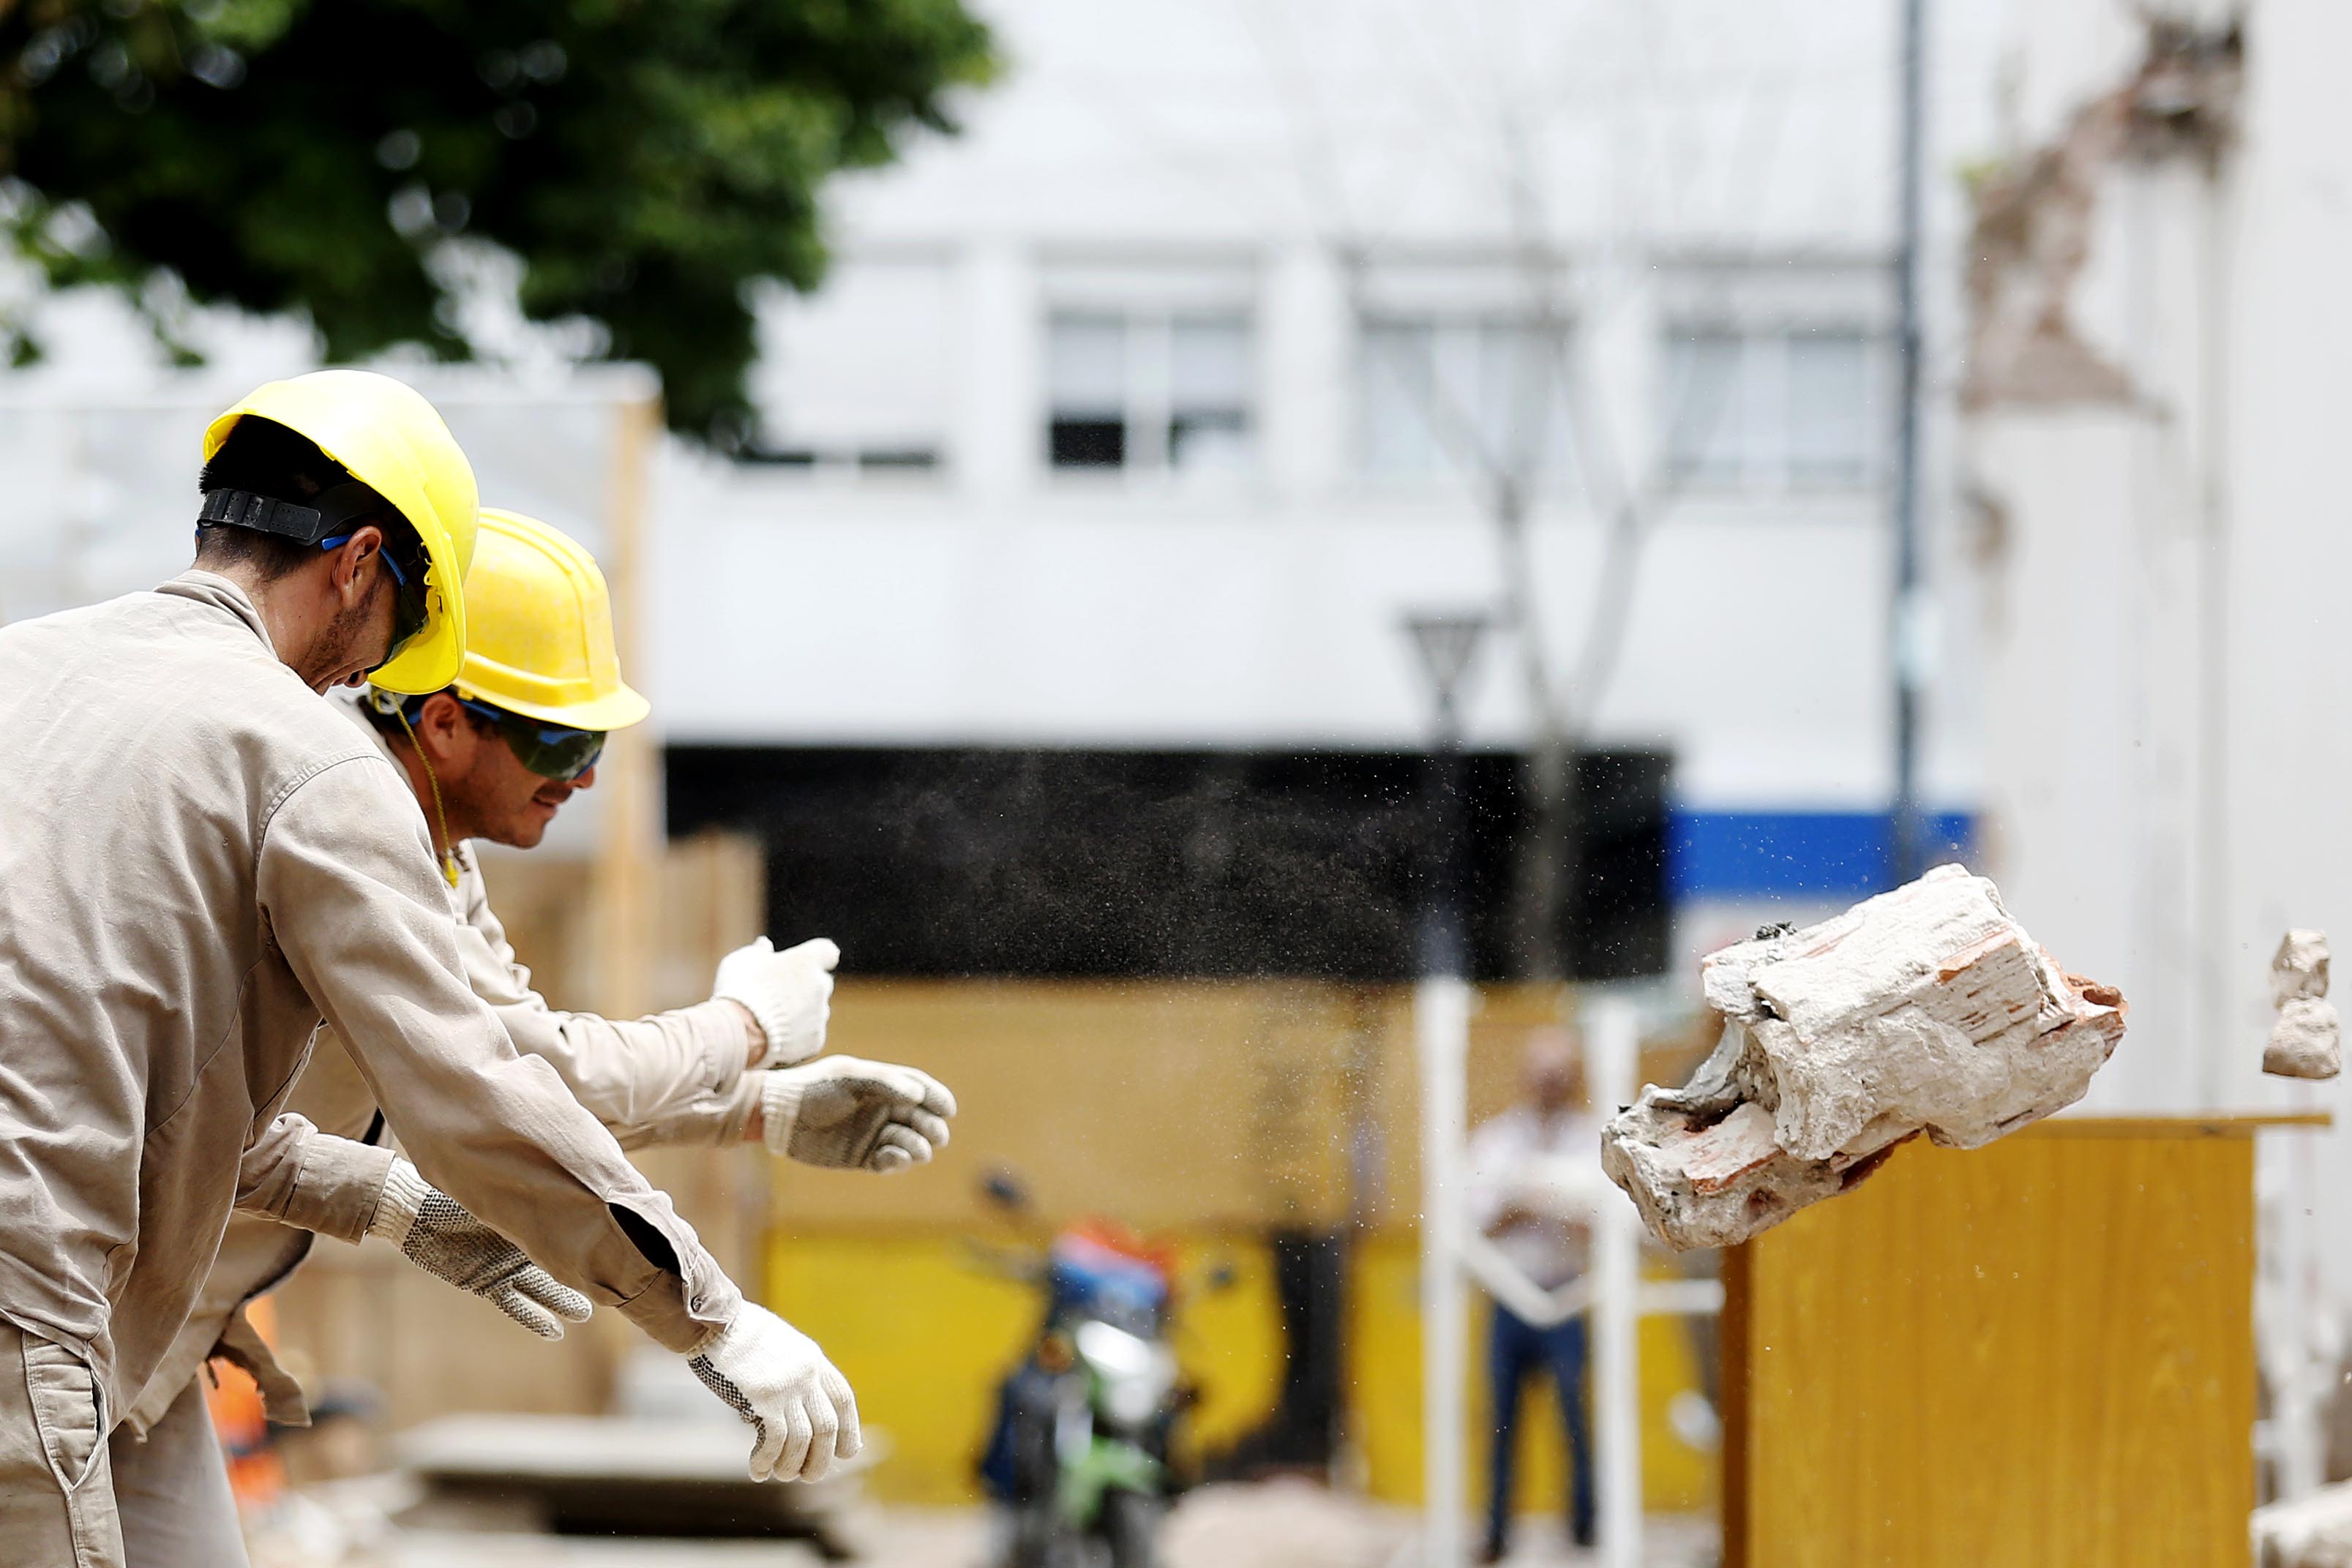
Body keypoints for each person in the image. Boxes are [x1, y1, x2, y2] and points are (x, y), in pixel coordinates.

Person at [0, 372, 858, 1567]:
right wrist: (713, 1310)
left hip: (112, 1325)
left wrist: (400, 1204)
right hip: (33, 1306)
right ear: (357, 565)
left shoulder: (26, 667)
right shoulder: (303, 756)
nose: (381, 670)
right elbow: (494, 1084)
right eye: (408, 625)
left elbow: (153, 1098)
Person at [1467, 1027, 1600, 1561]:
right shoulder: (1495, 1141)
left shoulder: (1594, 1139)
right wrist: (1524, 1203)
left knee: (1576, 1416)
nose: (1551, 1085)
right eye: (1543, 1075)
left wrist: (1559, 1205)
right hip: (1509, 1297)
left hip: (1570, 1292)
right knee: (1500, 1421)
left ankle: (1586, 1527)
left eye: (1560, 1075)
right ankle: (1495, 1530)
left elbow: (1609, 1217)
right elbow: (1473, 1219)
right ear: (1527, 1079)